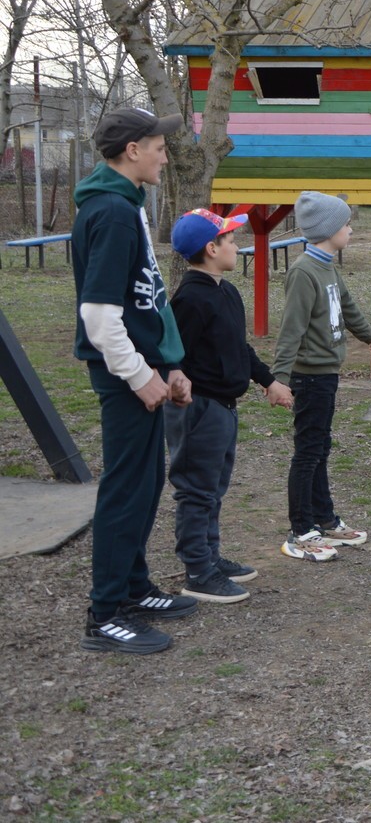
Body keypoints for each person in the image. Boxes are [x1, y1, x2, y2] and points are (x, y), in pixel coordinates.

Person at [72, 107, 197, 654]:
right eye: (157, 145)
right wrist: (138, 374)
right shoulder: (112, 212)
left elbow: (145, 297)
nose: (165, 154)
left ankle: (133, 585)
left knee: (145, 485)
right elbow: (98, 314)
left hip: (145, 368)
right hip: (124, 375)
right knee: (125, 491)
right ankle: (105, 615)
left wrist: (168, 361)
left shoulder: (129, 206)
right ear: (132, 151)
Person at [166, 208, 293, 602]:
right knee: (196, 489)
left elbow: (238, 348)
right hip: (199, 408)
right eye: (229, 240)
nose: (235, 245)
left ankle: (210, 556)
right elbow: (171, 355)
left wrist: (268, 380)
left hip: (224, 407)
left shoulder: (226, 291)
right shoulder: (189, 299)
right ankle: (198, 571)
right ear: (211, 248)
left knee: (214, 486)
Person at [271, 192, 371, 560]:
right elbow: (291, 330)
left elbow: (349, 308)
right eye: (346, 224)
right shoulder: (304, 272)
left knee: (320, 447)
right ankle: (301, 530)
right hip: (309, 377)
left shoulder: (328, 267)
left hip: (327, 374)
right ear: (328, 231)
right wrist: (279, 378)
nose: (351, 230)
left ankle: (323, 518)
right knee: (308, 452)